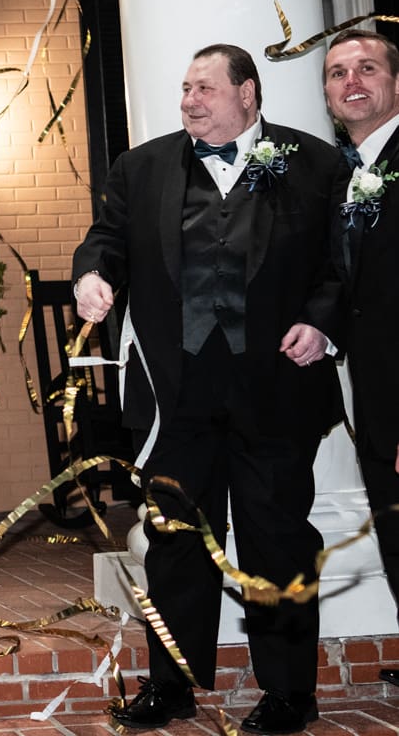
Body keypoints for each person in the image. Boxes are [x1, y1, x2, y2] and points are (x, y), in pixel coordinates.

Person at [72, 43, 343, 734]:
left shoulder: (314, 161)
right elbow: (105, 239)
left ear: (247, 93)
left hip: (277, 391)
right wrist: (92, 276)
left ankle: (289, 694)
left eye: (205, 88)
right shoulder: (143, 167)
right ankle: (172, 687)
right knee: (174, 545)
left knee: (275, 540)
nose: (190, 100)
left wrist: (321, 326)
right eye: (185, 89)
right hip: (176, 397)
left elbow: (342, 267)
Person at [322, 28, 399, 688]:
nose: (352, 81)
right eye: (338, 72)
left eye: (367, 68)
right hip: (373, 390)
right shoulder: (351, 173)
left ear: (395, 85)